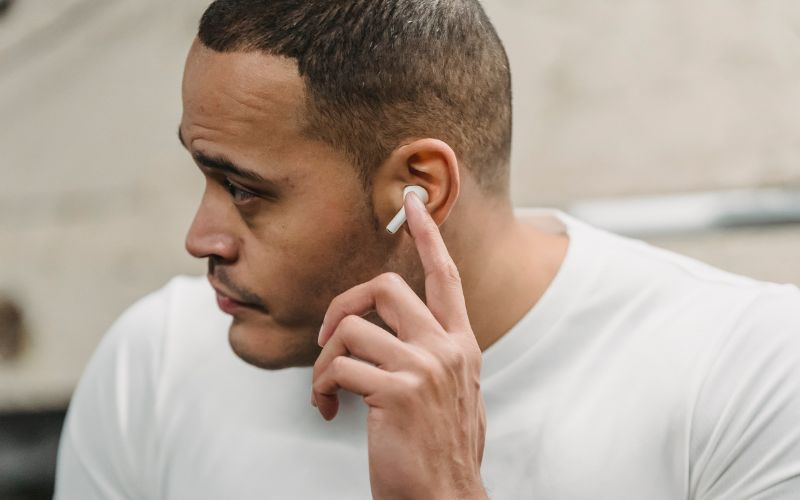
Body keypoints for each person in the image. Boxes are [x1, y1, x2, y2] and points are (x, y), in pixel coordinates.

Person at [54, 1, 800, 498]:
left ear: (419, 189)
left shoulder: (747, 376)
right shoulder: (153, 366)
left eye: (245, 189)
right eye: (202, 172)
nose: (200, 239)